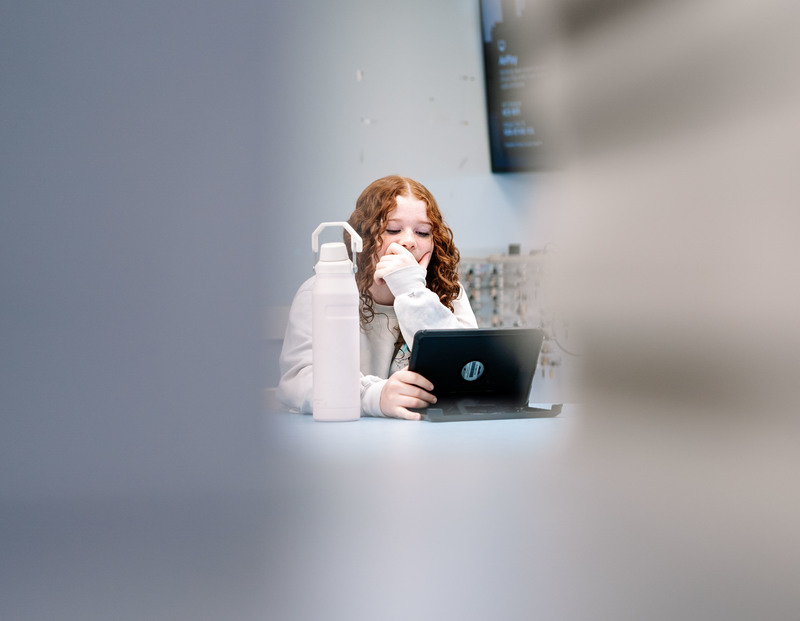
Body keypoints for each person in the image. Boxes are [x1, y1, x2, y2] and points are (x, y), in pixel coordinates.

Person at [277, 175, 478, 420]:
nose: (409, 241)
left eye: (423, 232)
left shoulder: (447, 291)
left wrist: (411, 290)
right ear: (363, 238)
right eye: (392, 230)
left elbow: (467, 371)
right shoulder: (321, 291)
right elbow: (299, 380)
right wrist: (375, 397)